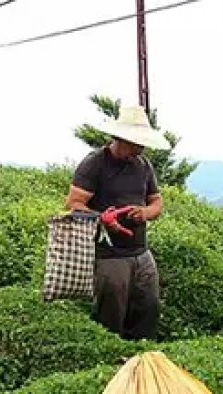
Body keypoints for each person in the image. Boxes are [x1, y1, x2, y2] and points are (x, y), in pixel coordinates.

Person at [64, 105, 169, 340]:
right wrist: (102, 218)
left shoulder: (143, 166)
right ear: (119, 138)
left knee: (148, 308)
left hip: (141, 252)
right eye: (135, 144)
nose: (139, 149)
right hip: (110, 255)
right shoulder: (95, 163)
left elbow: (157, 201)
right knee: (111, 315)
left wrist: (145, 213)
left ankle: (141, 358)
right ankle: (111, 361)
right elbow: (73, 203)